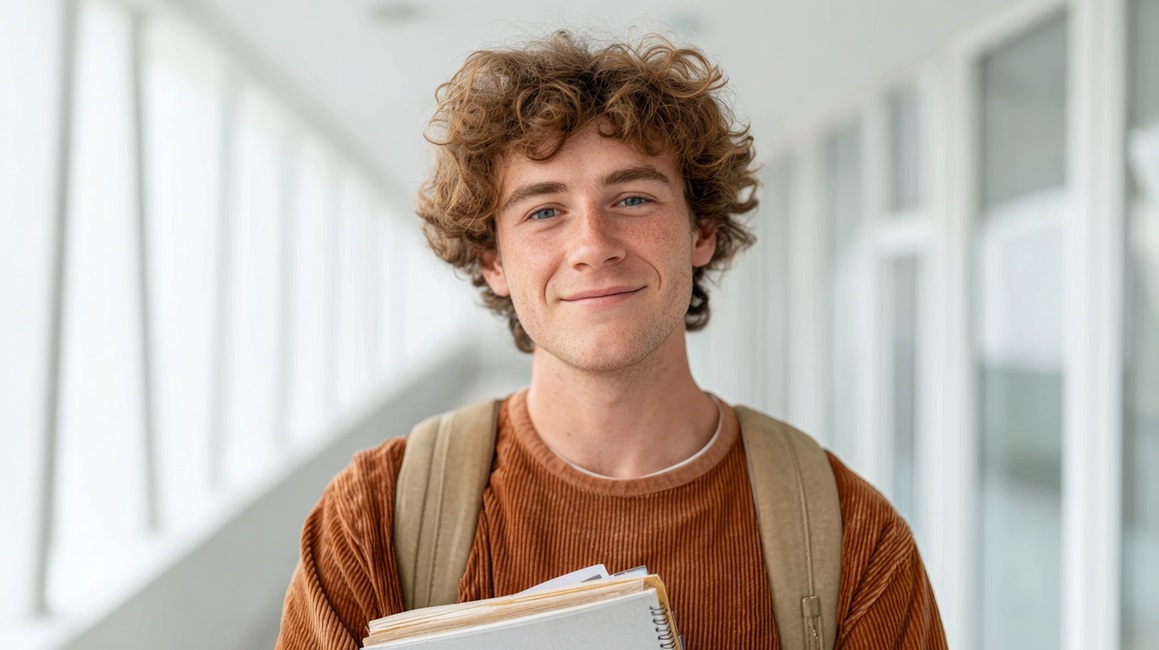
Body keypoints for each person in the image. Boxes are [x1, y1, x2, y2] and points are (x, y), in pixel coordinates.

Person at [275, 31, 946, 649]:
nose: (592, 246)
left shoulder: (849, 534)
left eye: (632, 199)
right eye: (544, 211)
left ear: (701, 232)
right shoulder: (376, 519)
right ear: (493, 263)